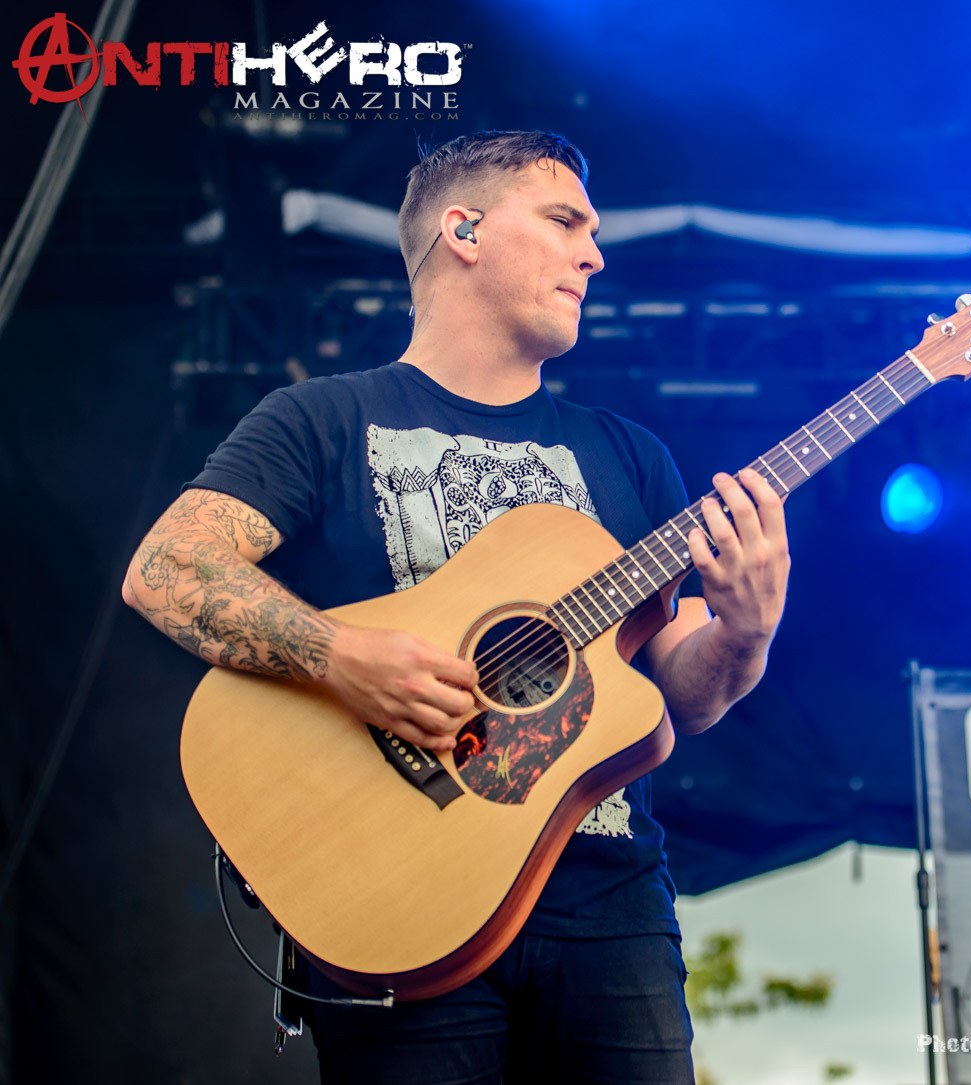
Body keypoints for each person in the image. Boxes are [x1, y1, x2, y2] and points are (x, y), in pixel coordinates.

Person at [122, 130, 790, 1084]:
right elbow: (167, 567)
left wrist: (746, 635)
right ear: (464, 230)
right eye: (564, 222)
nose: (594, 255)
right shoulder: (320, 419)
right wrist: (340, 656)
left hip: (611, 911)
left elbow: (682, 697)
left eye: (594, 232)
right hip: (395, 893)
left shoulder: (631, 455)